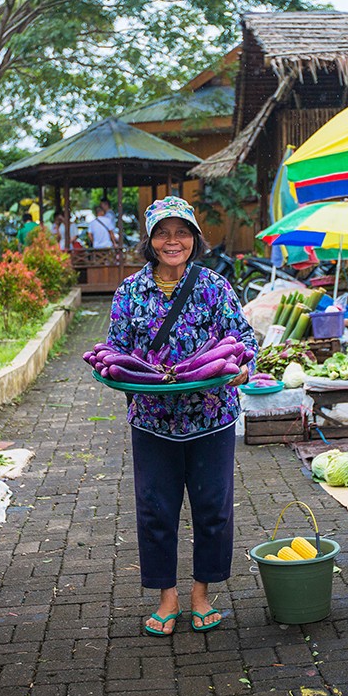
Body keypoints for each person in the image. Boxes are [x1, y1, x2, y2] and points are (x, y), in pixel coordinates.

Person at [106, 196, 256, 636]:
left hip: (212, 416)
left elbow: (243, 337)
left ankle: (201, 595)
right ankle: (167, 598)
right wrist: (118, 370)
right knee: (155, 509)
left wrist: (244, 365)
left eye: (181, 232)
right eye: (162, 233)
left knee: (213, 509)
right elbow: (115, 348)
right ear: (150, 240)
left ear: (195, 237)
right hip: (152, 419)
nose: (173, 241)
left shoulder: (214, 286)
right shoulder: (130, 291)